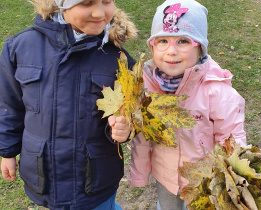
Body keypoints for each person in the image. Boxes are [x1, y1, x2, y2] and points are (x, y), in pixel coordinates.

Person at [0, 0, 138, 209]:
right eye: (87, 3)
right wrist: (8, 152)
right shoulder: (20, 47)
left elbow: (132, 111)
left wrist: (125, 127)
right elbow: (9, 105)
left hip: (95, 178)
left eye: (107, 1)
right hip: (45, 173)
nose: (99, 12)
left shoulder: (117, 57)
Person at [129, 0, 247, 209]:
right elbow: (142, 136)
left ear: (200, 48)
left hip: (204, 177)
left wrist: (235, 179)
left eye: (183, 41)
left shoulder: (217, 91)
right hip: (165, 174)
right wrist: (139, 174)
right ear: (152, 45)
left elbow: (232, 139)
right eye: (162, 40)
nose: (171, 51)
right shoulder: (145, 87)